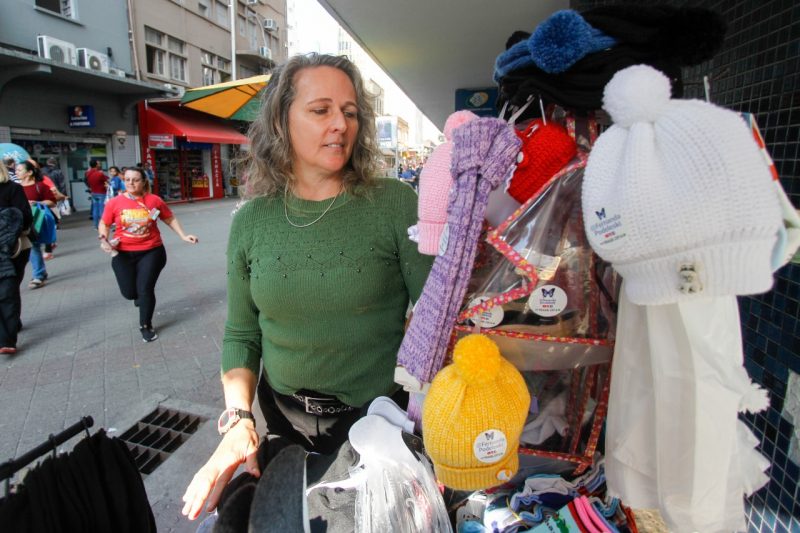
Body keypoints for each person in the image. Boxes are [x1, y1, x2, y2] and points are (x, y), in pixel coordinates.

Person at [180, 53, 433, 521]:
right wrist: (238, 421)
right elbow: (242, 334)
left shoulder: (394, 204)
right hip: (282, 420)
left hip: (375, 420)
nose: (340, 123)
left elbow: (438, 319)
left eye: (350, 112)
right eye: (321, 110)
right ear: (281, 121)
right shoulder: (251, 222)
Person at [98, 167, 198, 342]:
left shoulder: (154, 201)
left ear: (144, 181)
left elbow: (169, 218)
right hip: (122, 253)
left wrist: (183, 235)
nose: (131, 183)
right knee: (130, 293)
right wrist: (103, 239)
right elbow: (104, 223)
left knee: (145, 289)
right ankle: (138, 298)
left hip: (152, 252)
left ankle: (145, 325)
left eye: (135, 179)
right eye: (127, 179)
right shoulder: (114, 203)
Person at [0, 164, 32, 354]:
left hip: (13, 249)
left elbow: (26, 218)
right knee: (8, 292)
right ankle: (7, 334)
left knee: (8, 291)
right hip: (13, 248)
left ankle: (8, 338)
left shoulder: (13, 189)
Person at [16, 160, 56, 289]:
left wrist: (38, 203)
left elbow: (52, 202)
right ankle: (40, 272)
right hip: (21, 221)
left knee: (34, 246)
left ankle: (38, 275)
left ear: (29, 172)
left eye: (19, 170)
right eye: (16, 170)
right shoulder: (15, 188)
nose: (16, 172)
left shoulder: (40, 186)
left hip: (37, 220)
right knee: (32, 247)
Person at [85, 159, 109, 229]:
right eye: (98, 163)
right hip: (101, 192)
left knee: (95, 209)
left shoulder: (88, 173)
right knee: (102, 209)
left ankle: (96, 225)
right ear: (96, 164)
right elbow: (106, 180)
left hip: (93, 192)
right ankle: (103, 224)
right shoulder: (99, 173)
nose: (100, 165)